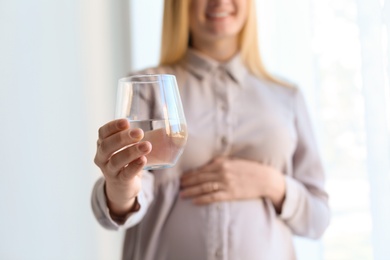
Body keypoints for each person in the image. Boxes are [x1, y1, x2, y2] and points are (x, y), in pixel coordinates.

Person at [91, 0, 330, 259]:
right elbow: (133, 192)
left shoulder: (287, 97)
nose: (219, 2)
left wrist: (272, 184)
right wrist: (119, 187)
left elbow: (318, 219)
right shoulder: (149, 88)